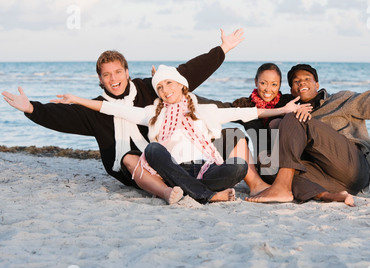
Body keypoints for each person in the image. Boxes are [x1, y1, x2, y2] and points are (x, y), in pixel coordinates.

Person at [2, 29, 245, 204]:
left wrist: (222, 49)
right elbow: (61, 116)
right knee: (130, 157)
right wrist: (31, 108)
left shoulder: (150, 88)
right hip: (136, 170)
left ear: (127, 72)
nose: (113, 79)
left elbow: (186, 74)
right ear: (100, 79)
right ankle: (172, 193)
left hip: (170, 163)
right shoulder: (96, 110)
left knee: (231, 159)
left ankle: (195, 189)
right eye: (107, 75)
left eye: (118, 72)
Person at [51, 65, 306, 204]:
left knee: (238, 166)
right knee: (152, 150)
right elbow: (112, 108)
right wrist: (78, 100)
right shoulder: (152, 113)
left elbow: (245, 112)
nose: (164, 89)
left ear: (181, 85)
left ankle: (194, 191)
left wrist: (284, 108)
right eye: (159, 86)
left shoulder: (204, 110)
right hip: (173, 170)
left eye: (168, 83)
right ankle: (207, 195)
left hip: (206, 169)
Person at [246, 51, 370, 206]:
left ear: (317, 84)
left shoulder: (341, 100)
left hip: (355, 168)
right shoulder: (292, 111)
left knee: (296, 118)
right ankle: (328, 196)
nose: (301, 83)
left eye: (307, 79)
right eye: (296, 81)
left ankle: (282, 188)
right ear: (292, 91)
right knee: (268, 166)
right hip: (329, 180)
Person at [227, 63, 312, 195]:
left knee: (279, 123)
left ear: (279, 85)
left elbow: (314, 107)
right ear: (256, 82)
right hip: (262, 169)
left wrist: (304, 112)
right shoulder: (244, 105)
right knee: (228, 135)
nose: (268, 89)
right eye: (263, 83)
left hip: (288, 168)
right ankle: (255, 184)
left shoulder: (288, 102)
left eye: (274, 84)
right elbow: (219, 110)